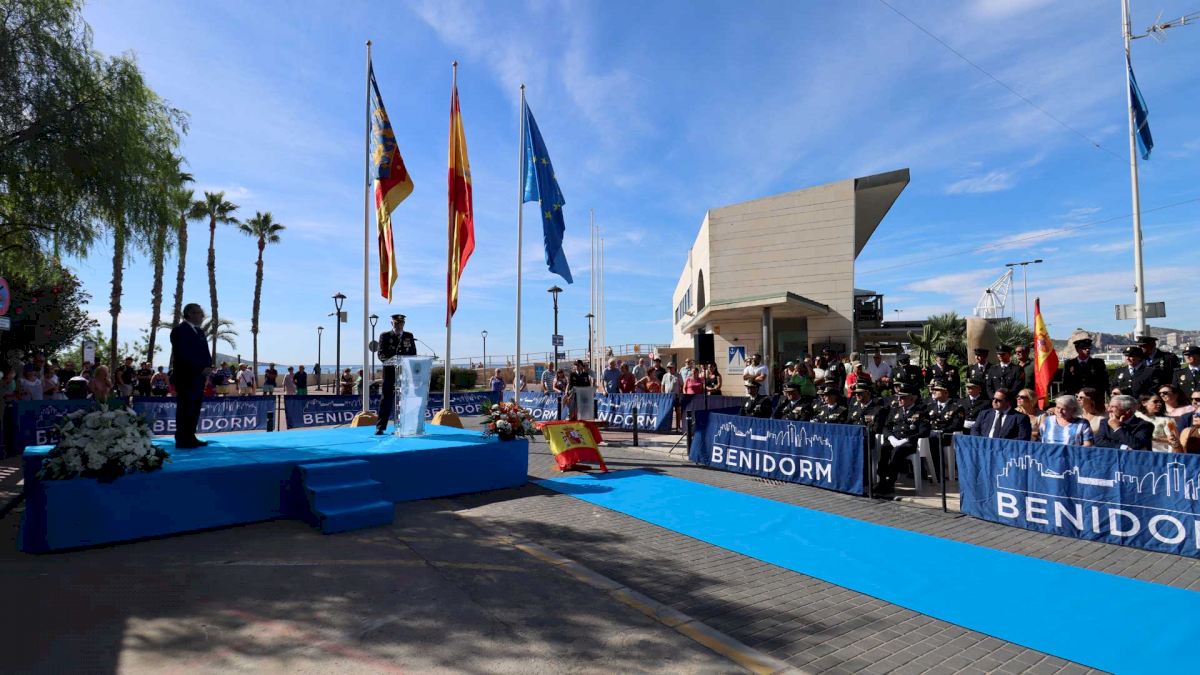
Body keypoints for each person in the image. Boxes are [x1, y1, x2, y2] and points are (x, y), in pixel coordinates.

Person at [169, 303, 212, 448]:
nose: (202, 316)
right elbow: (183, 354)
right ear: (190, 314)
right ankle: (182, 439)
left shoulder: (199, 332)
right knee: (185, 408)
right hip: (186, 377)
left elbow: (205, 352)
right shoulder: (179, 331)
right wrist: (200, 369)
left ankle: (190, 436)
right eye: (199, 313)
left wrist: (208, 367)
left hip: (199, 378)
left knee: (195, 408)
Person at [876, 384, 930, 495]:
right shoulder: (895, 410)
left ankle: (890, 483)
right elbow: (886, 426)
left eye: (903, 397)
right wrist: (891, 438)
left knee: (897, 451)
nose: (899, 399)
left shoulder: (920, 412)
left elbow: (924, 431)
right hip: (894, 440)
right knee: (884, 448)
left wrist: (906, 440)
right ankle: (882, 481)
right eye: (899, 397)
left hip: (909, 443)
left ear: (911, 398)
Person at [375, 313, 416, 434]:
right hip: (389, 373)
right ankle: (380, 427)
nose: (399, 325)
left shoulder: (409, 336)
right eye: (396, 323)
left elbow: (413, 353)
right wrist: (391, 362)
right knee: (386, 400)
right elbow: (380, 354)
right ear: (391, 323)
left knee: (403, 400)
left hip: (404, 373)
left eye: (401, 323)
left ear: (404, 324)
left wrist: (406, 362)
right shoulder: (385, 336)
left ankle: (401, 427)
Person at [660, 363, 683, 430]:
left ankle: (678, 427)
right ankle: (667, 426)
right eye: (668, 367)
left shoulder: (678, 375)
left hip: (676, 396)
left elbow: (682, 385)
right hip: (667, 396)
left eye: (671, 367)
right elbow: (662, 386)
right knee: (668, 412)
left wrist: (680, 394)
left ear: (674, 368)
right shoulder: (665, 375)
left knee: (678, 411)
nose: (669, 369)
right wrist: (663, 394)